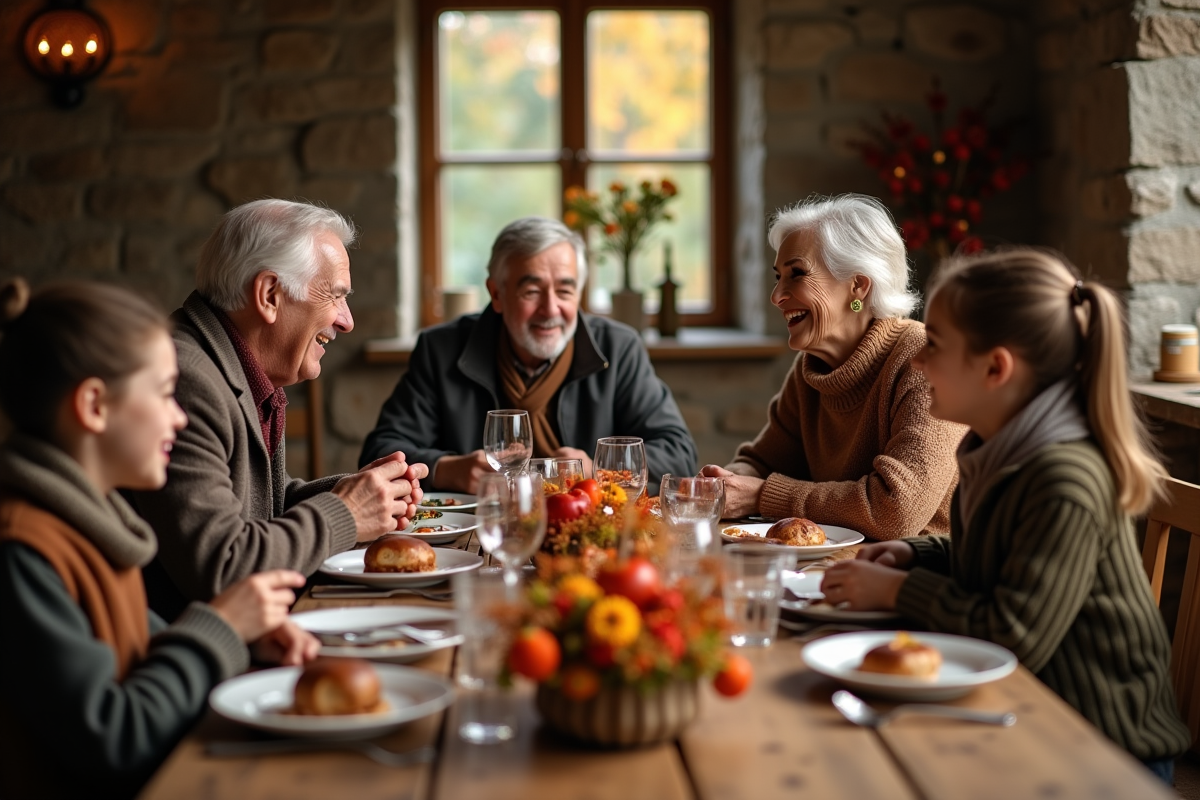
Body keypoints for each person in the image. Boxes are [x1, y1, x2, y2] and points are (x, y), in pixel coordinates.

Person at [821, 249, 1190, 782]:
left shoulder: (1064, 480)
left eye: (936, 347)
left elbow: (1013, 632)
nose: (918, 362)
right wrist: (912, 553)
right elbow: (999, 557)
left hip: (1103, 746)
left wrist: (895, 593)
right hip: (1028, 711)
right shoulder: (997, 449)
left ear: (995, 368)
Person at [0, 279, 320, 800]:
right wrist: (221, 627)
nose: (179, 415)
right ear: (95, 406)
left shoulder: (90, 521)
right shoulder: (25, 548)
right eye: (165, 393)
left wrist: (243, 635)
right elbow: (114, 739)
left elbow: (144, 645)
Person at [127, 199, 427, 619]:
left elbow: (264, 506)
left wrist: (360, 491)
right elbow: (223, 566)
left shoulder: (233, 361)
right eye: (335, 296)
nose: (346, 321)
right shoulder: (185, 381)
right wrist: (347, 512)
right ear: (269, 295)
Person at [360, 216, 696, 495]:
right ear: (497, 293)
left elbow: (680, 454)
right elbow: (378, 454)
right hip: (477, 536)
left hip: (591, 528)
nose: (551, 309)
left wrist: (601, 469)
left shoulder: (619, 348)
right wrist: (449, 470)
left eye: (565, 290)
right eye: (531, 291)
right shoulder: (442, 349)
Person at [700, 194, 964, 539]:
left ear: (858, 285)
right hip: (846, 563)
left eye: (797, 274)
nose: (777, 295)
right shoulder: (812, 367)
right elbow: (764, 461)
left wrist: (761, 495)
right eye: (778, 277)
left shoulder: (921, 360)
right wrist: (728, 481)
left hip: (923, 574)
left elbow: (895, 509)